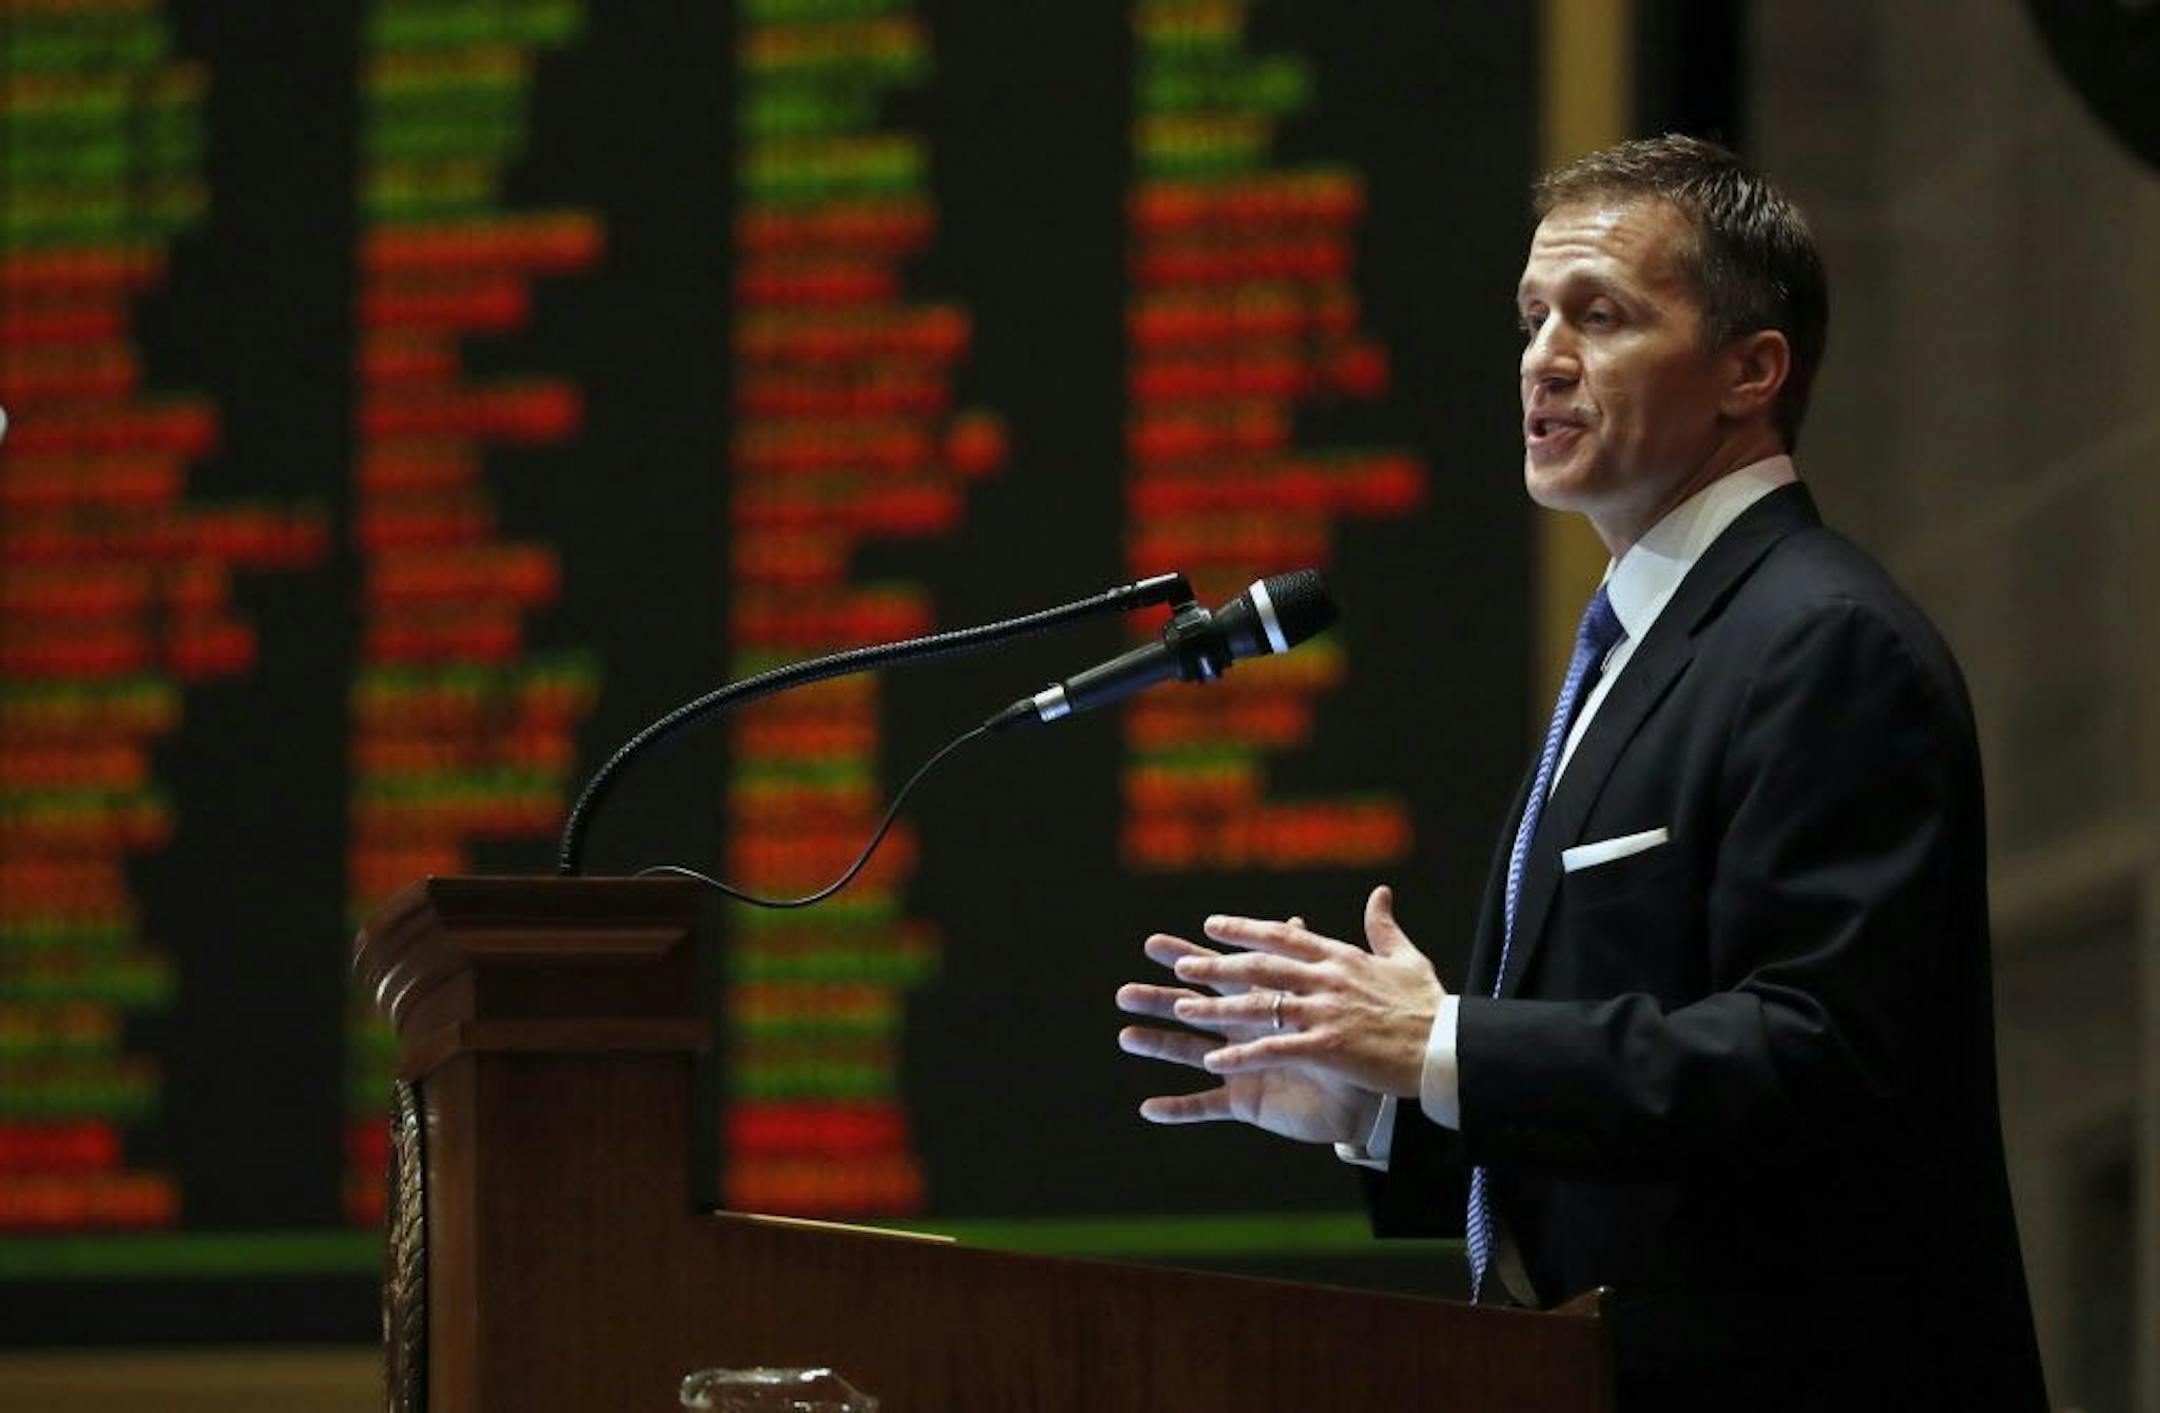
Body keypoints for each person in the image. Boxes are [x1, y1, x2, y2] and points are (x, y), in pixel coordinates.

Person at [1115, 135, 2046, 1410]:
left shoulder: (1823, 639)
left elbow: (1822, 1063)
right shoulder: (1637, 645)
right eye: (1532, 317)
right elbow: (1646, 1159)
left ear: (1749, 370)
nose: (1543, 358)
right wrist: (1389, 1104)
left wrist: (1443, 1040)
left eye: (1599, 315)